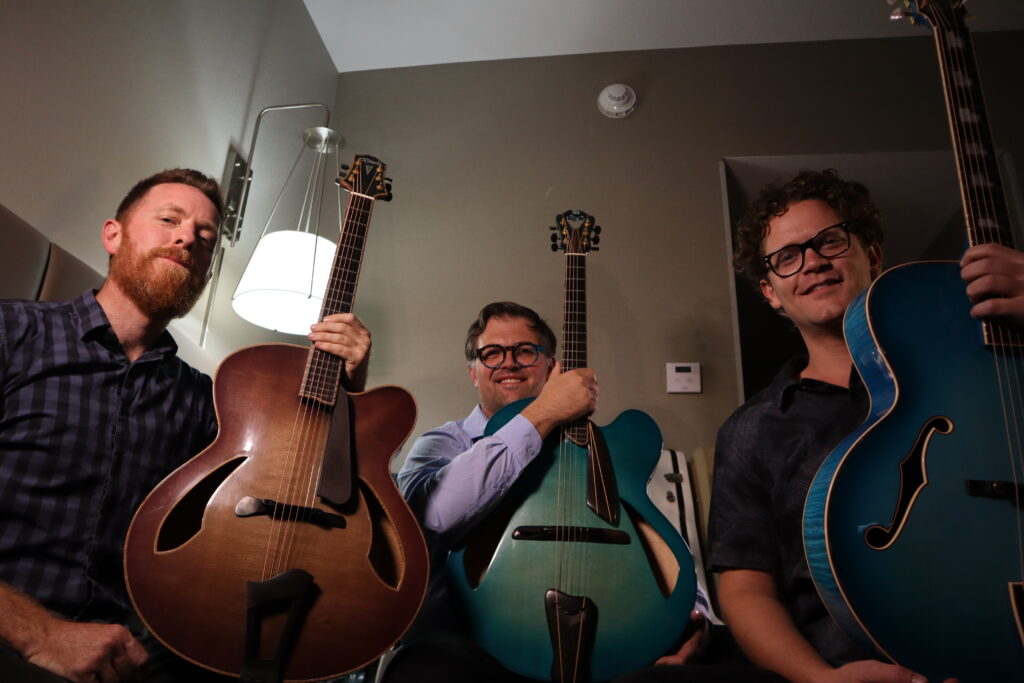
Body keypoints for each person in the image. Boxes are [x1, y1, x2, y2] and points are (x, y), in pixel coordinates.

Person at [0, 168, 371, 683]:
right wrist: (40, 635)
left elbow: (300, 481)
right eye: (169, 220)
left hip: (135, 653)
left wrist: (349, 385)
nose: (188, 239)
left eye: (205, 237)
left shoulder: (205, 398)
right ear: (113, 235)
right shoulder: (13, 332)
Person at [708, 168, 1024, 683]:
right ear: (770, 292)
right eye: (787, 257)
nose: (813, 261)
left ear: (872, 256)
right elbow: (746, 590)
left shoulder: (974, 369)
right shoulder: (751, 431)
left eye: (830, 241)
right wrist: (819, 680)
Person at [389, 301, 732, 683]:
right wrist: (542, 414)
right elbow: (435, 518)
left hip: (610, 648)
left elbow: (651, 539)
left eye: (524, 350)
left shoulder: (608, 449)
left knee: (723, 652)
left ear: (552, 367)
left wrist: (694, 614)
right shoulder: (440, 444)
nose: (509, 363)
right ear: (473, 372)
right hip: (472, 651)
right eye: (492, 353)